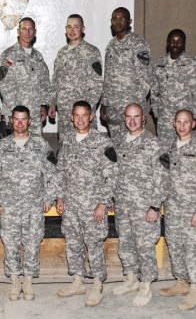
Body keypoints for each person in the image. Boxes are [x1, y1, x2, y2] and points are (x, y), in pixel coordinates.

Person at [0, 105, 57, 301]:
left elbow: (52, 174)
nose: (19, 123)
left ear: (30, 121)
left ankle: (28, 281)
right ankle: (14, 280)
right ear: (11, 120)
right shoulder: (1, 147)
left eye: (23, 119)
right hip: (9, 205)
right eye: (16, 119)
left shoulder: (41, 145)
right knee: (10, 244)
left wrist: (48, 197)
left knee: (33, 243)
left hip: (34, 205)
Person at [55, 101, 117, 307]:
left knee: (94, 244)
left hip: (93, 206)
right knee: (72, 242)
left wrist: (103, 203)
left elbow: (111, 174)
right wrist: (60, 196)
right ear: (71, 117)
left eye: (85, 115)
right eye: (77, 115)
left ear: (91, 117)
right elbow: (61, 172)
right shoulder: (66, 141)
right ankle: (78, 281)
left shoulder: (103, 142)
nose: (81, 119)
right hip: (71, 204)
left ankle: (98, 284)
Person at [158, 109, 196, 311]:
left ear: (194, 124)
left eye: (186, 122)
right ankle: (181, 281)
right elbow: (164, 178)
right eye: (179, 122)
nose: (182, 126)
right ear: (173, 124)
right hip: (173, 208)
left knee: (194, 250)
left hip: (193, 210)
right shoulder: (170, 148)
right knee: (175, 246)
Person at [111, 103, 163, 306]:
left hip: (144, 208)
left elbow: (161, 178)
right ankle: (131, 279)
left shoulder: (154, 144)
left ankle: (146, 286)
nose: (132, 121)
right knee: (126, 245)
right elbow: (113, 173)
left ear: (143, 118)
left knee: (145, 247)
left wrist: (155, 206)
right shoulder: (118, 142)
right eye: (128, 117)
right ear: (124, 119)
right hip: (123, 204)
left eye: (136, 117)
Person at [100, 7, 152, 145]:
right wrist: (104, 103)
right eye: (114, 18)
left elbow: (145, 79)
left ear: (129, 21)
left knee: (133, 145)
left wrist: (134, 106)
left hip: (130, 110)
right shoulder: (111, 45)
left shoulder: (138, 44)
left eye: (121, 18)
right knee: (116, 146)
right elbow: (107, 76)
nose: (117, 21)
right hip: (113, 108)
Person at [49, 14, 103, 139]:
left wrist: (86, 110)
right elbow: (55, 80)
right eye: (69, 27)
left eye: (76, 27)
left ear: (83, 29)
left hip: (82, 113)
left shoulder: (92, 52)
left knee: (87, 146)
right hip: (64, 111)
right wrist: (52, 103)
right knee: (65, 146)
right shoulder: (61, 53)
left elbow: (97, 84)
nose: (72, 30)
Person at [0, 17, 51, 135]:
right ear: (18, 31)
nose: (27, 32)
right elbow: (5, 87)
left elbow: (44, 83)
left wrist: (44, 105)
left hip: (35, 116)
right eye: (24, 29)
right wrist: (18, 114)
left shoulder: (38, 56)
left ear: (35, 32)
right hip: (15, 116)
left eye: (30, 29)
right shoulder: (8, 55)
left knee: (35, 151)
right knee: (14, 150)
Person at [151, 29, 196, 140]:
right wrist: (156, 112)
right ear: (167, 43)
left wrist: (195, 117)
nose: (175, 44)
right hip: (164, 121)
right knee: (165, 154)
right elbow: (154, 91)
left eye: (179, 41)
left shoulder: (192, 64)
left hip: (184, 122)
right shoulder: (160, 63)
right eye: (172, 41)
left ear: (184, 44)